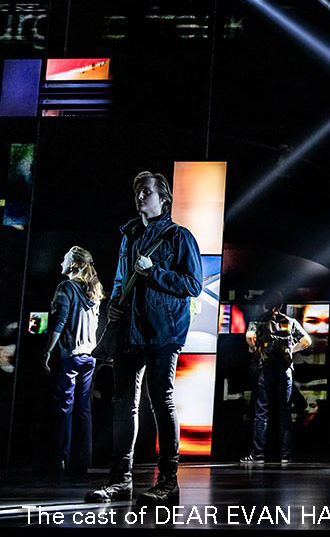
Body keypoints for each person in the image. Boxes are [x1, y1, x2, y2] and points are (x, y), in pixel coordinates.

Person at [85, 171, 202, 505]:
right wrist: (116, 308)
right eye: (137, 191)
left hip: (163, 332)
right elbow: (122, 279)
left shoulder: (179, 236)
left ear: (163, 198)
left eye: (146, 191)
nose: (140, 197)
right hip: (129, 331)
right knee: (124, 405)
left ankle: (168, 482)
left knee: (161, 401)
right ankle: (120, 480)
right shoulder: (129, 235)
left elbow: (193, 285)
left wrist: (154, 272)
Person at [44, 246, 104, 473]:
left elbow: (60, 321)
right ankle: (82, 462)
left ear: (74, 265)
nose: (61, 262)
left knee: (64, 408)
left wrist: (48, 350)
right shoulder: (94, 289)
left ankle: (60, 460)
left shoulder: (66, 287)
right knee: (83, 408)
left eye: (65, 258)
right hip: (89, 356)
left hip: (70, 355)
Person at [241, 291, 311, 465]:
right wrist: (289, 351)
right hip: (285, 370)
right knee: (285, 413)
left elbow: (250, 337)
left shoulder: (258, 321)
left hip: (264, 369)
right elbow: (307, 341)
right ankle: (285, 455)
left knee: (261, 412)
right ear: (280, 305)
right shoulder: (290, 322)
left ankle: (258, 455)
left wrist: (257, 348)